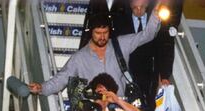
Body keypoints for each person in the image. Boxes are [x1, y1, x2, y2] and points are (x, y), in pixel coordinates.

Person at [28, 7, 163, 99]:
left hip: (120, 106)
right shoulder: (79, 58)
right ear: (90, 32)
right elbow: (61, 79)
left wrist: (156, 14)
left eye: (105, 33)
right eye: (98, 33)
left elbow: (147, 35)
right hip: (94, 110)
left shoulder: (121, 44)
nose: (102, 37)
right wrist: (41, 88)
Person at [113, 0, 180, 111]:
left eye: (142, 7)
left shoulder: (157, 20)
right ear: (130, 7)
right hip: (127, 69)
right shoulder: (120, 22)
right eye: (135, 8)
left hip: (150, 68)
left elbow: (165, 49)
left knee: (149, 100)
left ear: (147, 6)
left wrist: (164, 75)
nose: (139, 11)